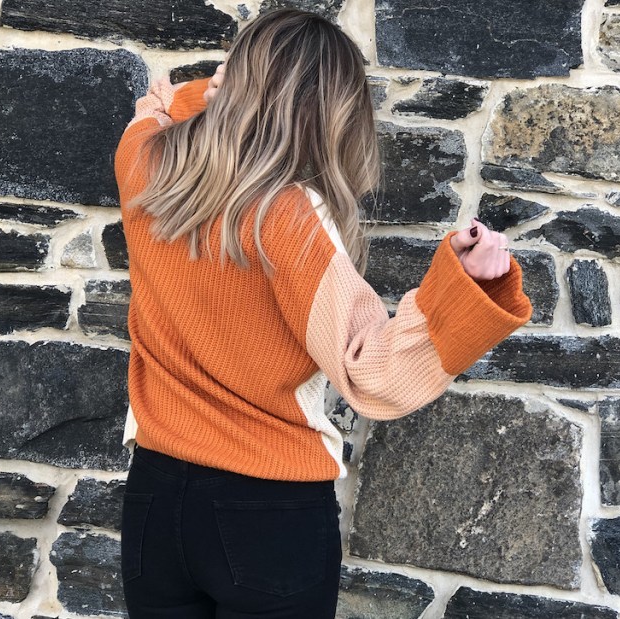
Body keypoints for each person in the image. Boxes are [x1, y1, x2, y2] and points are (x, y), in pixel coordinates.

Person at [113, 9, 532, 619]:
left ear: (241, 79)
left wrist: (215, 90)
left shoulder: (144, 164)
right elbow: (374, 377)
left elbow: (156, 104)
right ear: (328, 112)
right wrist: (464, 287)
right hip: (267, 515)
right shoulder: (290, 218)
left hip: (154, 500)